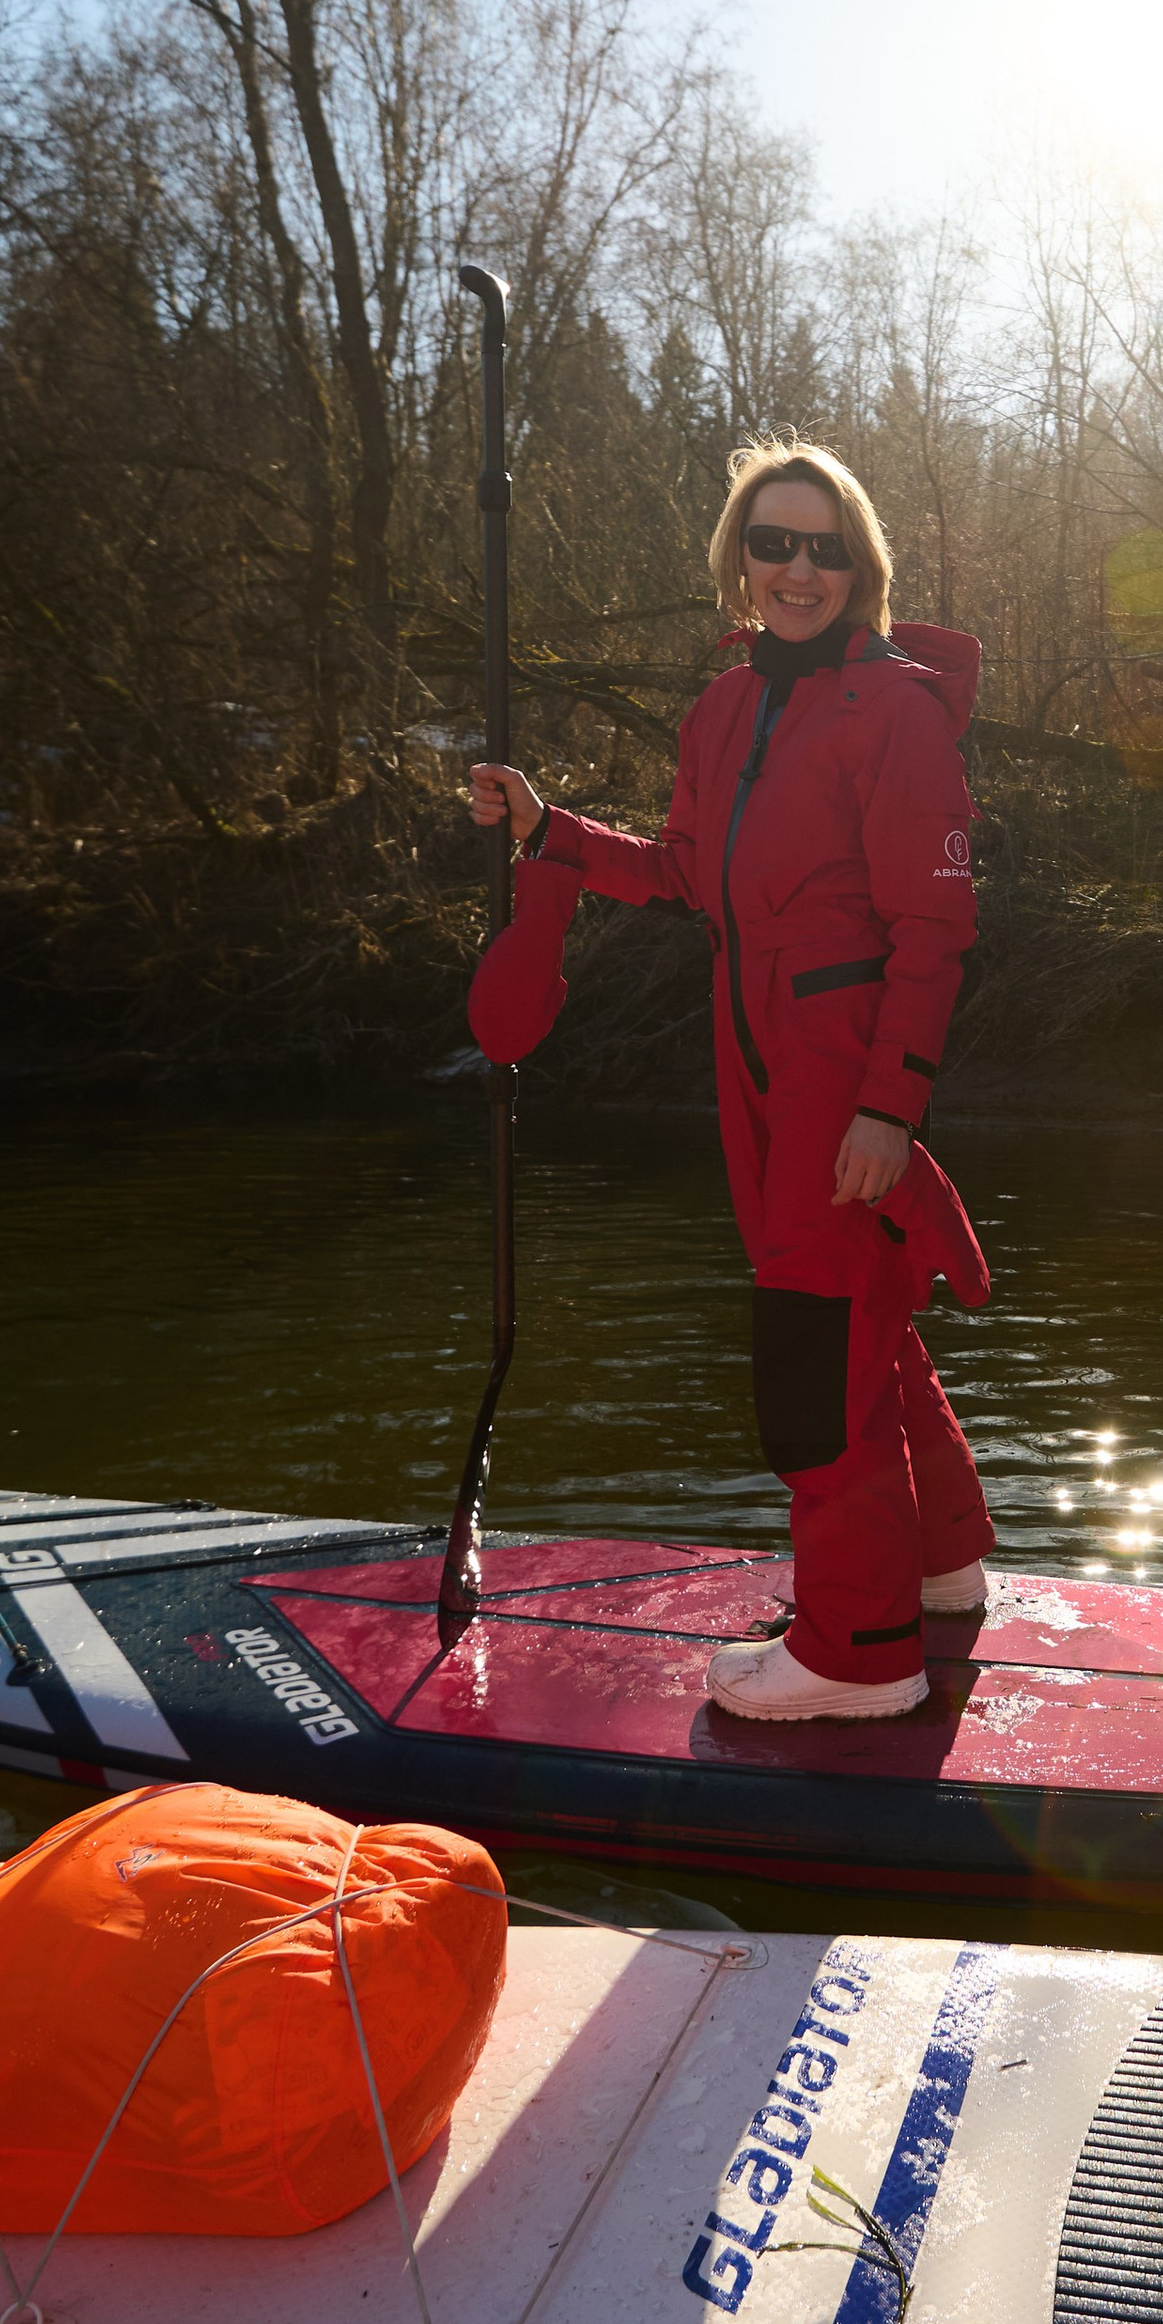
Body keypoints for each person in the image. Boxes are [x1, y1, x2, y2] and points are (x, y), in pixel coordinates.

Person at [466, 441, 995, 1724]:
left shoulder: (897, 711)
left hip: (837, 1070)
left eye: (825, 547)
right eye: (773, 542)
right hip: (748, 1057)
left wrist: (889, 1105)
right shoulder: (722, 708)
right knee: (866, 1316)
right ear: (738, 559)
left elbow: (935, 929)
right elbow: (683, 873)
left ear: (861, 565)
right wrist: (549, 831)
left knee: (815, 1346)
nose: (798, 569)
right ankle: (942, 1570)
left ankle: (859, 1652)